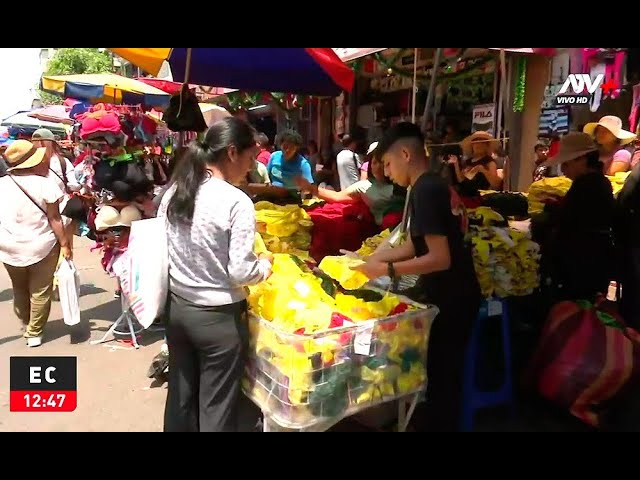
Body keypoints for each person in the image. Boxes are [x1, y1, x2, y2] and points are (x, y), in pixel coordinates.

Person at [352, 122, 481, 432]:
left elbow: (439, 258)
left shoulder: (425, 189)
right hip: (453, 294)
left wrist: (386, 270)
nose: (386, 172)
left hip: (452, 298)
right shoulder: (430, 185)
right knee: (440, 377)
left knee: (443, 381)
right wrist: (367, 259)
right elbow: (415, 242)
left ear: (405, 154)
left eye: (387, 164)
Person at [158, 117, 273, 432]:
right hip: (218, 320)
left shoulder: (175, 191)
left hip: (178, 309)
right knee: (216, 406)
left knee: (180, 398)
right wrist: (265, 265)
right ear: (233, 153)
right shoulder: (236, 200)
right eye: (251, 158)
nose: (250, 167)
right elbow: (240, 270)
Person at [0, 140, 72, 348]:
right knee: (40, 291)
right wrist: (65, 244)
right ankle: (34, 332)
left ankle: (26, 323)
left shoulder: (2, 184)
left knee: (19, 289)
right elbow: (55, 219)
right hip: (42, 245)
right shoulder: (45, 184)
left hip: (8, 247)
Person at [540, 132, 616, 302]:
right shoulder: (597, 182)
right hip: (592, 264)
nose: (564, 169)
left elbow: (572, 222)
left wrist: (553, 212)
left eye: (566, 163)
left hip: (582, 267)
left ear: (582, 159)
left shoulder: (589, 185)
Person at [297, 147, 405, 229]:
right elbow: (337, 196)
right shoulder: (364, 186)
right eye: (374, 163)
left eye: (382, 162)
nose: (378, 167)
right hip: (384, 234)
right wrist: (310, 188)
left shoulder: (402, 182)